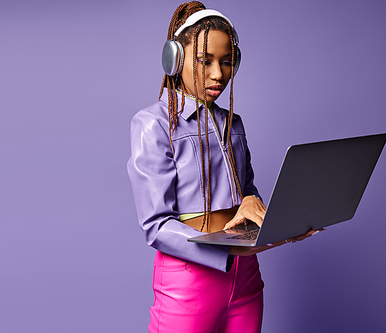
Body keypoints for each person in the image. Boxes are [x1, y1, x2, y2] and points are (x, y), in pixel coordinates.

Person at [127, 2, 320, 332]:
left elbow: (246, 190)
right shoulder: (153, 125)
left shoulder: (234, 124)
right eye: (206, 61)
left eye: (227, 62)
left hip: (245, 279)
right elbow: (156, 226)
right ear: (175, 59)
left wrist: (260, 209)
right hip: (190, 281)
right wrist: (227, 249)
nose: (219, 74)